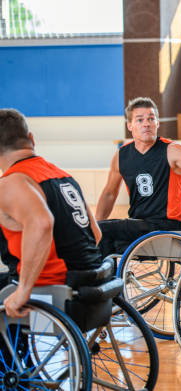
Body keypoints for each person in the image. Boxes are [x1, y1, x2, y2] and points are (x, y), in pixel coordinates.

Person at [95, 97, 181, 257]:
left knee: (106, 231)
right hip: (139, 226)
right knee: (99, 232)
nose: (146, 123)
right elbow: (109, 194)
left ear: (157, 123)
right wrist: (96, 225)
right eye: (140, 120)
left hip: (168, 225)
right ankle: (109, 279)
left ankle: (102, 279)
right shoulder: (121, 156)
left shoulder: (172, 150)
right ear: (129, 126)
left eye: (151, 119)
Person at [0, 108, 102, 318]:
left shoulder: (12, 183)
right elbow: (96, 234)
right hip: (93, 282)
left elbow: (42, 223)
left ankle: (15, 350)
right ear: (31, 139)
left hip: (53, 287)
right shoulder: (61, 175)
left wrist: (23, 291)